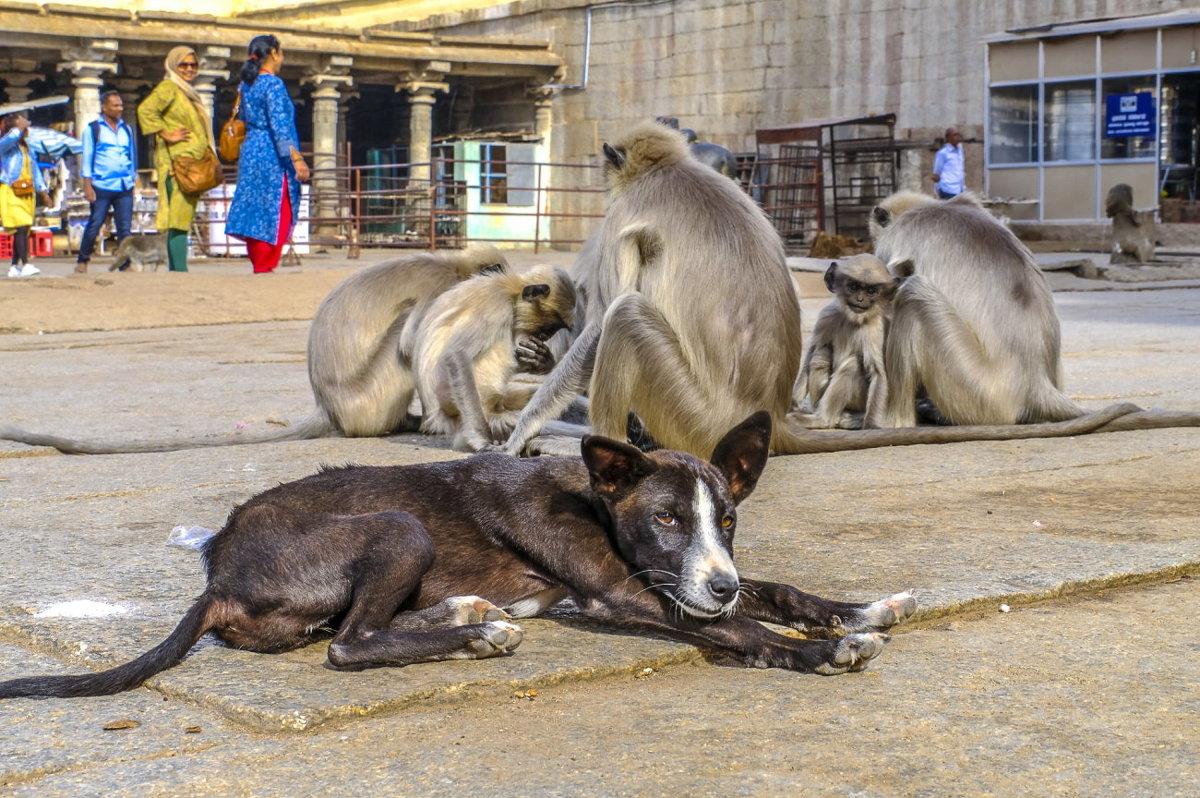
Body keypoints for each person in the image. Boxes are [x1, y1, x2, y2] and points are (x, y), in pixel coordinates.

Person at [225, 34, 309, 274]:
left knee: (255, 205)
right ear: (273, 54)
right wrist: (296, 157)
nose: (282, 58)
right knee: (277, 205)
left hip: (251, 150)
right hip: (272, 153)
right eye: (280, 53)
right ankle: (266, 264)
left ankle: (260, 264)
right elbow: (279, 124)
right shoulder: (273, 84)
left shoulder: (247, 84)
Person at [137, 45, 214, 272]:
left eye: (193, 65)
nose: (189, 69)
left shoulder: (186, 92)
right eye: (184, 65)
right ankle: (179, 268)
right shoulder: (169, 87)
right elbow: (145, 110)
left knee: (183, 216)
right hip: (178, 165)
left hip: (192, 163)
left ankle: (177, 266)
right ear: (173, 65)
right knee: (179, 218)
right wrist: (165, 133)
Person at [75, 91, 137, 274]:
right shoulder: (93, 129)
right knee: (95, 224)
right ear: (104, 107)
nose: (120, 109)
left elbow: (131, 155)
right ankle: (83, 260)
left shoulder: (127, 129)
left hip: (124, 184)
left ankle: (125, 265)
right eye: (116, 105)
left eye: (121, 105)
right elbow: (87, 158)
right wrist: (87, 185)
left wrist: (134, 179)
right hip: (101, 185)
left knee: (125, 227)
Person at [0, 111, 51, 278]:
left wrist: (44, 193)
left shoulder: (27, 149)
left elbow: (35, 172)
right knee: (20, 227)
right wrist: (18, 127)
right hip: (11, 192)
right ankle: (27, 264)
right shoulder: (6, 146)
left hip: (26, 193)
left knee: (23, 229)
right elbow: (7, 140)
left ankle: (14, 266)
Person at [931, 126, 965, 199]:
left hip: (959, 189)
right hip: (947, 189)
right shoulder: (943, 153)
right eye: (955, 135)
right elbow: (936, 174)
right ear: (948, 138)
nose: (958, 137)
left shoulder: (960, 150)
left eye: (959, 134)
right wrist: (938, 189)